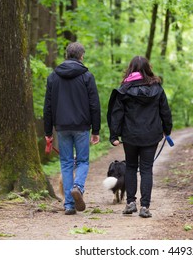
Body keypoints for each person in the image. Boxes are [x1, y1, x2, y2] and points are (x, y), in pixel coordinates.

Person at [107, 56, 172, 218]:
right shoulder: (157, 88)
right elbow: (165, 111)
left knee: (130, 167)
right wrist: (167, 129)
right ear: (148, 68)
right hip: (151, 135)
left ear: (130, 69)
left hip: (130, 135)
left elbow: (117, 114)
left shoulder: (124, 89)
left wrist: (114, 135)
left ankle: (130, 203)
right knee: (146, 169)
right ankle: (145, 206)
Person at [43, 42, 101, 215]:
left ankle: (69, 205)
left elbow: (48, 107)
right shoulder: (87, 76)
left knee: (66, 164)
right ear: (81, 56)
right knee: (82, 161)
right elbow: (94, 105)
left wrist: (48, 132)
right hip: (82, 126)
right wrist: (96, 130)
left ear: (67, 55)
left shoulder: (53, 76)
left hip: (61, 127)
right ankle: (78, 187)